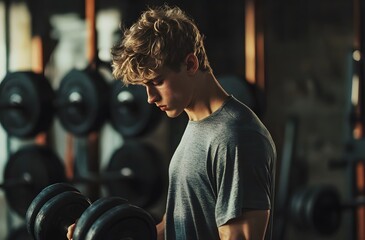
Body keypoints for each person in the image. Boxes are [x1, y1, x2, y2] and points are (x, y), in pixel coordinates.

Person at [67, 5, 276, 240]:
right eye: (145, 86)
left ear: (190, 64)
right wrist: (103, 233)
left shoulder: (236, 136)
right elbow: (176, 223)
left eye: (157, 81)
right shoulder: (198, 126)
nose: (150, 98)